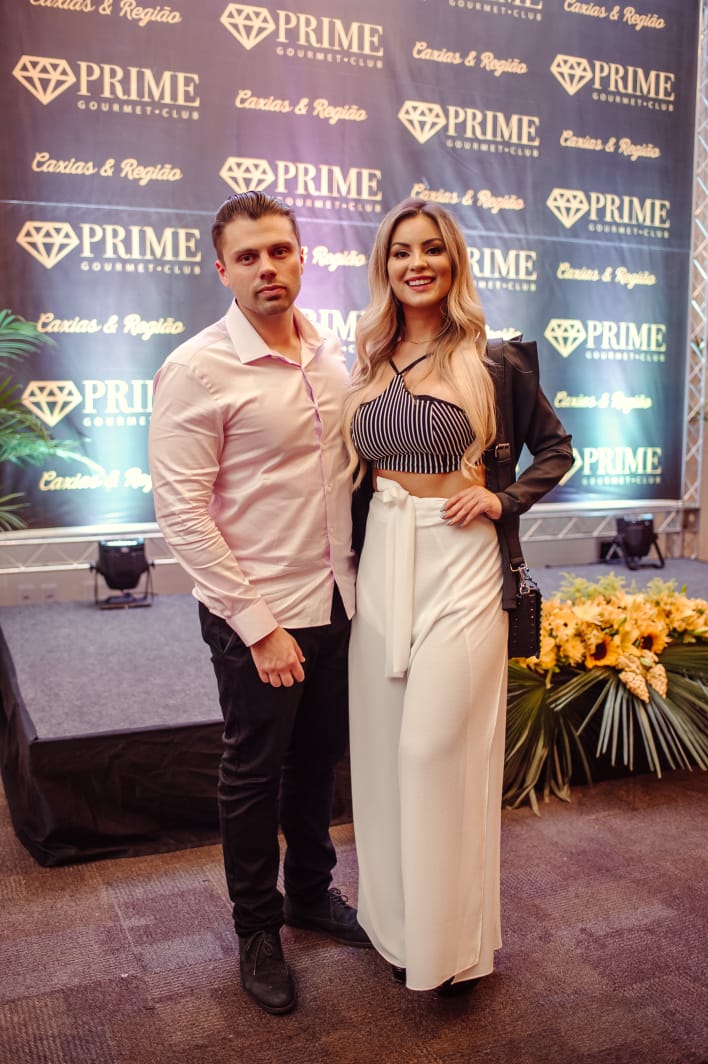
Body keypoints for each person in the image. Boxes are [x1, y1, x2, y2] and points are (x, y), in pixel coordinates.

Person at [342, 198, 573, 995]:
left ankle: (454, 947)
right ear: (385, 266)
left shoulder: (496, 361)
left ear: (454, 262)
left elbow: (557, 450)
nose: (417, 263)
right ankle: (398, 931)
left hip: (463, 560)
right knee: (382, 756)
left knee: (431, 749)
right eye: (402, 251)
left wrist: (503, 500)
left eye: (432, 249)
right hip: (383, 558)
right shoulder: (367, 359)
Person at [149, 191, 370, 1017]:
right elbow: (182, 513)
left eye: (279, 251)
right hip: (259, 616)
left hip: (337, 602)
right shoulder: (196, 368)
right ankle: (257, 930)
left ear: (302, 257)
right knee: (251, 775)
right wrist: (260, 627)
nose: (267, 268)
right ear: (222, 270)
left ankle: (310, 893)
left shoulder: (332, 355)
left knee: (316, 765)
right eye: (248, 257)